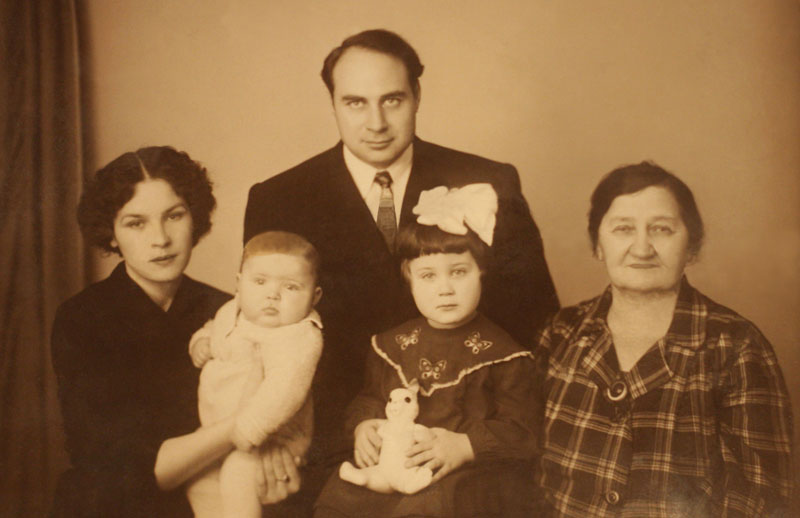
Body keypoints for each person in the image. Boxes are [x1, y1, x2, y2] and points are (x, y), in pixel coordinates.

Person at [243, 29, 558, 503]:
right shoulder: (279, 197)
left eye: (392, 100)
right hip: (334, 443)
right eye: (355, 103)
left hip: (469, 448)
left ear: (417, 96)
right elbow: (260, 333)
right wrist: (269, 436)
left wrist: (473, 443)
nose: (376, 123)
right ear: (333, 103)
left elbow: (537, 322)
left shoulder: (486, 182)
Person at [50, 147, 305, 517]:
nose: (160, 238)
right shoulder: (82, 319)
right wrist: (246, 427)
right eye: (136, 223)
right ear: (111, 233)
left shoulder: (228, 310)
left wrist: (278, 457)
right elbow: (123, 468)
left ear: (194, 217)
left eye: (174, 216)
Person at [535, 162, 793, 517]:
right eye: (623, 229)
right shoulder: (561, 333)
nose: (642, 248)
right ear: (598, 245)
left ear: (692, 247)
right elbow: (524, 469)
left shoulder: (736, 347)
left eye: (661, 229)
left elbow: (761, 498)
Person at [314, 184, 540, 517]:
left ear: (481, 272)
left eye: (459, 272)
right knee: (342, 495)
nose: (445, 289)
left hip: (467, 475)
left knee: (430, 505)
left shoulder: (504, 355)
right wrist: (365, 427)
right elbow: (371, 397)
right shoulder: (392, 345)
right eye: (428, 276)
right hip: (397, 463)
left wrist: (465, 446)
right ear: (409, 278)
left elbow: (523, 431)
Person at [185, 231, 324, 518]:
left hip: (269, 439)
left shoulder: (299, 336)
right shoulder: (233, 311)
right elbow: (214, 329)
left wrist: (249, 431)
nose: (272, 295)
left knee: (239, 475)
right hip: (219, 430)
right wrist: (201, 342)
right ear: (238, 285)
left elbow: (285, 390)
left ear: (314, 296)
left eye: (291, 287)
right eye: (260, 282)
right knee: (199, 480)